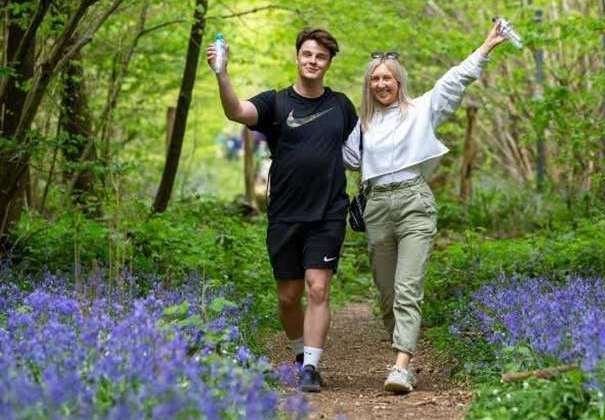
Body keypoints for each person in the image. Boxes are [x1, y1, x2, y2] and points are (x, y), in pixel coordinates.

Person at [343, 21, 508, 393]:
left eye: (388, 78)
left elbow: (454, 80)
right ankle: (402, 351)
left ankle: (401, 365)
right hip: (376, 208)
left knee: (407, 287)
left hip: (414, 202)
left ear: (399, 82)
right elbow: (337, 156)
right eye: (375, 79)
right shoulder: (362, 125)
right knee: (386, 294)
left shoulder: (421, 110)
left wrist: (485, 47)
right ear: (368, 85)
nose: (381, 84)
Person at [207, 28, 358, 393]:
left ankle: (310, 366)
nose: (313, 61)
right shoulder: (276, 103)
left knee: (318, 288)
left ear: (328, 63)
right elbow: (235, 111)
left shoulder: (341, 106)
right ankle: (297, 354)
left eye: (320, 57)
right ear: (297, 57)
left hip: (328, 212)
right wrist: (221, 73)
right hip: (286, 214)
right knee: (288, 298)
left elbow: (364, 150)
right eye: (307, 54)